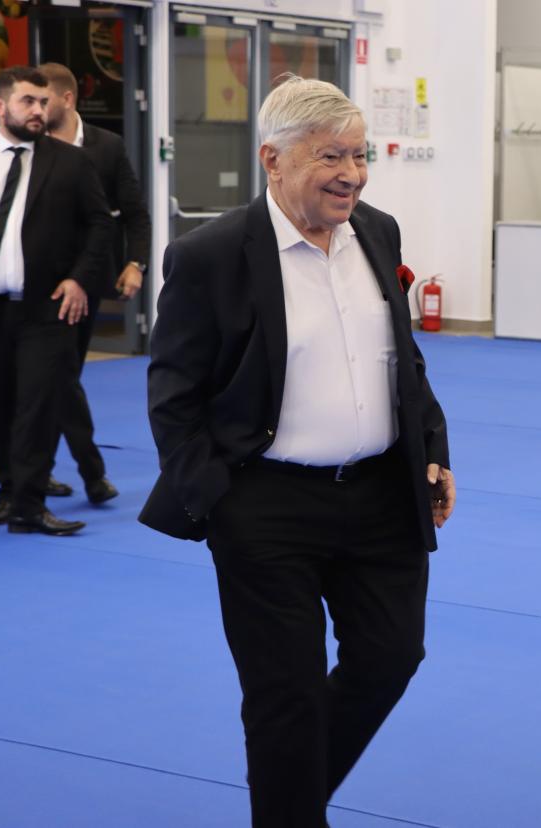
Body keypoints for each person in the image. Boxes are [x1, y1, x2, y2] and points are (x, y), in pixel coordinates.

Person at [139, 75, 455, 827]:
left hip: (380, 495)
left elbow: (403, 362)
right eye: (330, 157)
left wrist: (432, 450)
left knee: (391, 657)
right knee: (285, 692)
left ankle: (291, 795)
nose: (352, 174)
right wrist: (217, 501)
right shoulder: (210, 255)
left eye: (359, 155)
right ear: (272, 159)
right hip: (266, 505)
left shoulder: (377, 232)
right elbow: (173, 394)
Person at [0, 66, 112, 535]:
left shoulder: (70, 162)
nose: (38, 110)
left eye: (43, 102)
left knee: (38, 407)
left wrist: (79, 280)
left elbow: (100, 225)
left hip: (46, 309)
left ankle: (30, 506)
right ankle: (8, 494)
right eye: (28, 101)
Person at [38, 61, 152, 505]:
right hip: (35, 285)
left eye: (42, 99)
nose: (35, 109)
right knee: (57, 375)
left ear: (67, 99)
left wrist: (135, 263)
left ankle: (41, 468)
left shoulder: (107, 147)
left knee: (61, 376)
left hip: (85, 283)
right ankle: (89, 472)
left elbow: (135, 213)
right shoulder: (28, 144)